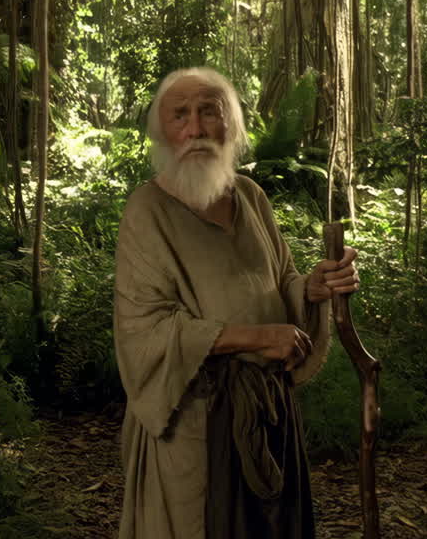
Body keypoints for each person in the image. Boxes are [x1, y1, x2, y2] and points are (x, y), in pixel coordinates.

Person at [114, 66, 360, 539]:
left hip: (268, 413)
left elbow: (280, 281)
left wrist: (313, 289)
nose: (196, 128)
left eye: (210, 111)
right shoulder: (146, 212)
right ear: (160, 131)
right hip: (195, 425)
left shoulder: (251, 197)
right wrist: (256, 337)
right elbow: (145, 330)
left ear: (232, 123)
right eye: (180, 115)